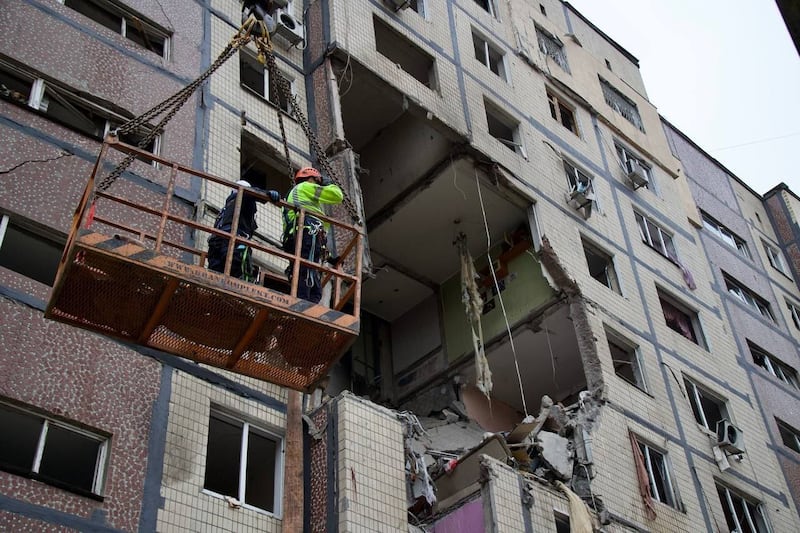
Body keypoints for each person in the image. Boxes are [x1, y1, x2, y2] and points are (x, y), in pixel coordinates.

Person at [282, 167, 343, 303]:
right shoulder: (306, 187)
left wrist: (328, 257)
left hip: (300, 237)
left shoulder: (297, 196)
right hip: (306, 235)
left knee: (308, 274)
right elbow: (337, 195)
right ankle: (302, 305)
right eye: (317, 182)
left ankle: (307, 304)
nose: (318, 185)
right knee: (307, 273)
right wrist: (327, 183)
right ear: (312, 179)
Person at [208, 180, 280, 281]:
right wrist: (267, 194)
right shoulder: (242, 196)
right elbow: (251, 193)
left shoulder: (225, 210)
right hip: (234, 241)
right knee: (235, 273)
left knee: (214, 275)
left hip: (216, 244)